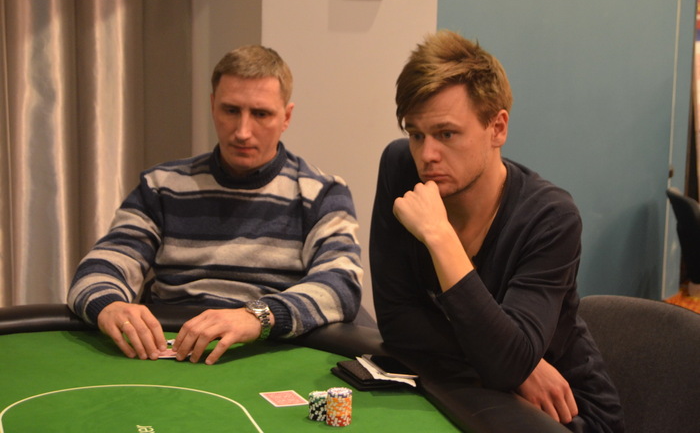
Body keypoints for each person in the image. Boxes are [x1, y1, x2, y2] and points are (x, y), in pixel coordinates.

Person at [370, 30, 624, 432]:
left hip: (564, 410)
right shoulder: (400, 167)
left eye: (447, 134)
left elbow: (507, 361)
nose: (427, 155)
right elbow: (398, 321)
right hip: (473, 387)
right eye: (416, 134)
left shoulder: (551, 217)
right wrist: (516, 365)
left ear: (497, 128)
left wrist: (439, 237)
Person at [68, 45, 362, 365]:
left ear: (286, 117)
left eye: (261, 114)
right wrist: (110, 305)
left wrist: (256, 316)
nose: (242, 132)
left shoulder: (323, 192)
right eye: (231, 110)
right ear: (212, 106)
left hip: (260, 353)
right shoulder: (162, 186)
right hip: (170, 350)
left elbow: (340, 286)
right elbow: (102, 266)